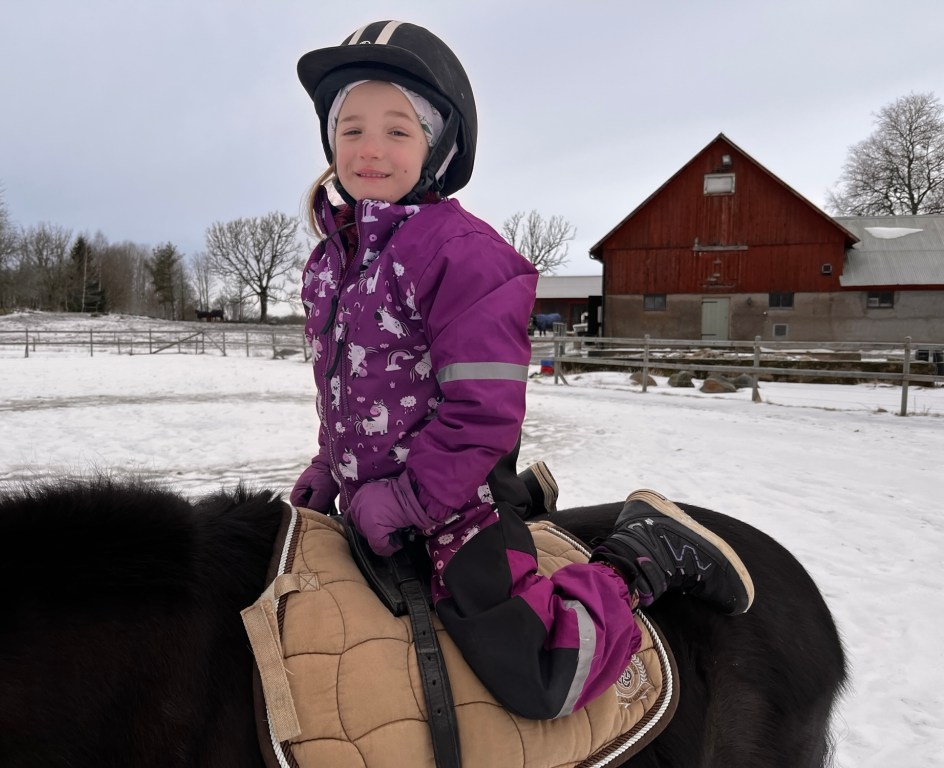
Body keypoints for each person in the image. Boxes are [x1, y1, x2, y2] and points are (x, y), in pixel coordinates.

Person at [291, 20, 754, 721]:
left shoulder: (463, 255)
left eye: (397, 130)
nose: (370, 148)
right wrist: (330, 465)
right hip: (369, 497)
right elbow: (343, 389)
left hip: (455, 503)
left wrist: (411, 501)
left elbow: (484, 410)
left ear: (439, 146)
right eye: (350, 129)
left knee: (539, 673)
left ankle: (643, 557)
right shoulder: (333, 262)